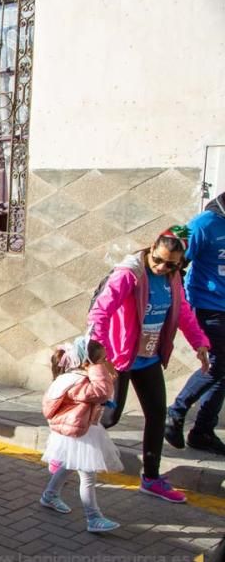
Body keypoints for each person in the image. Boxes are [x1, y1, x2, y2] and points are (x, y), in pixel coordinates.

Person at [90, 227, 210, 504]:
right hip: (118, 359)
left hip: (148, 356)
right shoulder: (130, 274)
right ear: (152, 248)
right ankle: (65, 454)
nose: (161, 267)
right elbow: (101, 311)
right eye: (158, 259)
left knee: (157, 415)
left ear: (180, 264)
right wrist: (98, 353)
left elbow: (183, 313)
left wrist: (199, 342)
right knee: (108, 418)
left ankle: (152, 478)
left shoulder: (173, 279)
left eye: (171, 264)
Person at [39, 334, 123, 533]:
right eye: (103, 360)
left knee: (69, 464)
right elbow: (102, 392)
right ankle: (93, 517)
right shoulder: (77, 383)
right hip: (79, 433)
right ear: (88, 363)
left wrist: (99, 368)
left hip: (80, 429)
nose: (106, 363)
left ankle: (49, 495)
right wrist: (99, 368)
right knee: (88, 477)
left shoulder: (75, 378)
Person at [167, 193, 225, 456]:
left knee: (223, 371)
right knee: (217, 364)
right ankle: (176, 412)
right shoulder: (204, 223)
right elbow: (174, 253)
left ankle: (202, 431)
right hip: (208, 306)